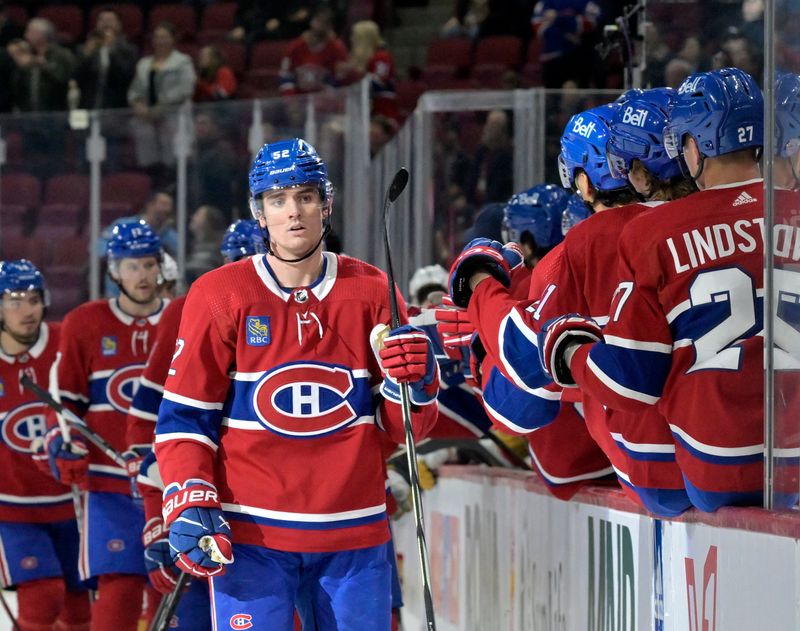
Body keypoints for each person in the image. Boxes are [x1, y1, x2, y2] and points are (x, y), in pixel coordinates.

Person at [154, 138, 439, 629]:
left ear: (326, 204)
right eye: (278, 199)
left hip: (354, 536)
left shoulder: (373, 290)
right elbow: (184, 419)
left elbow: (402, 429)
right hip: (252, 538)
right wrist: (189, 497)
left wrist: (414, 378)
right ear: (258, 212)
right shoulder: (220, 295)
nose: (293, 212)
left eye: (306, 196)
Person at [538, 68, 772, 512]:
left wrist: (570, 352)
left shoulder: (650, 234)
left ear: (691, 145)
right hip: (789, 456)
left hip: (711, 467)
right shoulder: (791, 210)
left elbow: (630, 383)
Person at [45, 220, 168, 631]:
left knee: (175, 600)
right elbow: (65, 405)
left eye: (149, 265)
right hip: (109, 490)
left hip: (171, 486)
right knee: (117, 597)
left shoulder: (182, 319)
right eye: (132, 266)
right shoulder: (86, 323)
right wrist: (60, 446)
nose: (143, 276)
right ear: (113, 270)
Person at [0, 260, 91, 631]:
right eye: (16, 300)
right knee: (42, 597)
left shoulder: (63, 342)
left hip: (71, 503)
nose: (28, 309)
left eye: (35, 299)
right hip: (12, 509)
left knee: (79, 609)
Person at [128, 21, 196, 170]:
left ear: (173, 39)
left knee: (173, 161)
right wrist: (138, 105)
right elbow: (134, 91)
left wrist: (160, 108)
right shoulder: (143, 64)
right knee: (149, 160)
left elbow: (185, 89)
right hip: (146, 120)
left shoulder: (182, 62)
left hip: (174, 118)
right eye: (157, 37)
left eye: (164, 37)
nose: (161, 41)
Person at [98, 190, 178, 297]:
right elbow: (99, 247)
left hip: (154, 295)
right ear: (150, 205)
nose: (166, 209)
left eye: (169, 206)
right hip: (118, 291)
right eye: (163, 204)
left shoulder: (172, 237)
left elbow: (180, 261)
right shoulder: (124, 226)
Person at [74, 8, 137, 110]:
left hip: (115, 109)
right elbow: (75, 78)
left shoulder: (129, 51)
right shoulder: (83, 49)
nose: (106, 24)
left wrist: (111, 50)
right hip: (86, 105)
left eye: (110, 21)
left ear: (119, 25)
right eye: (102, 20)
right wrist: (87, 56)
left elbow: (125, 78)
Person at [278, 6, 349, 95]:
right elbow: (285, 75)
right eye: (318, 21)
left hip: (325, 102)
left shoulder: (338, 49)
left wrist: (325, 100)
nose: (320, 26)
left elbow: (339, 80)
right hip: (298, 101)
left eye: (325, 23)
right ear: (311, 22)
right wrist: (291, 100)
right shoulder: (295, 47)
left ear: (330, 26)